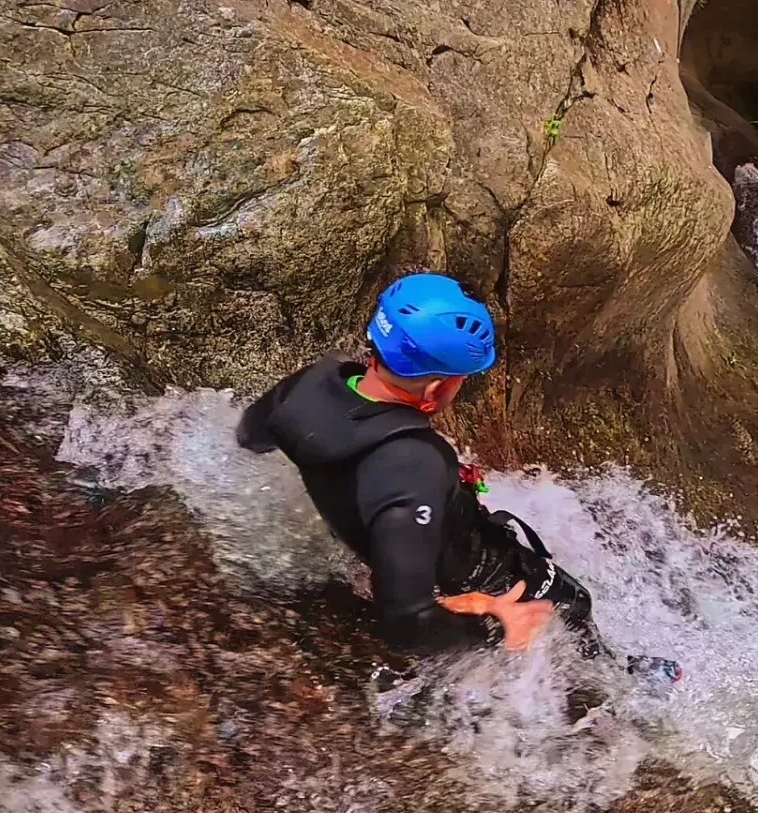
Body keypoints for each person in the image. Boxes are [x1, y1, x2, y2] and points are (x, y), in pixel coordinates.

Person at [236, 273, 677, 679]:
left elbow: (248, 438)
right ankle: (614, 683)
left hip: (395, 543)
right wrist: (492, 622)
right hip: (470, 574)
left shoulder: (306, 388)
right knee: (571, 601)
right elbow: (406, 624)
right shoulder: (415, 466)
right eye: (460, 379)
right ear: (435, 389)